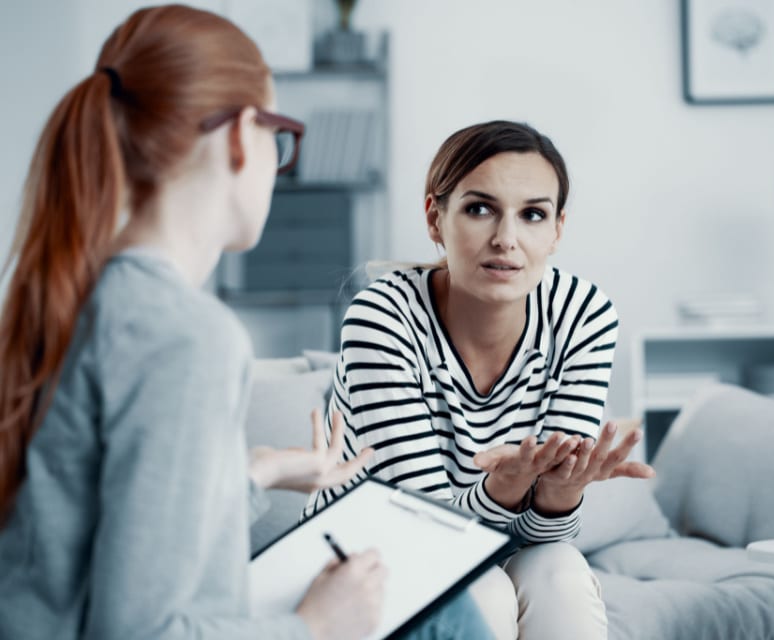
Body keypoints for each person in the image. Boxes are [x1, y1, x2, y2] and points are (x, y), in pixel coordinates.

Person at [0, 6, 490, 640]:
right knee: (441, 612)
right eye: (279, 135)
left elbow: (107, 532)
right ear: (239, 135)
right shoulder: (184, 334)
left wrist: (259, 472)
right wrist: (317, 627)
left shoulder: (82, 295)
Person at [304, 120, 657, 639]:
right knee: (484, 590)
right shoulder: (383, 316)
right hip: (365, 556)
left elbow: (546, 535)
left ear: (557, 229)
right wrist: (505, 488)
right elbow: (427, 532)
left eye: (532, 214)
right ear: (435, 218)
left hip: (491, 545)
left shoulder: (583, 314)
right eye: (479, 209)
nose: (505, 240)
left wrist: (560, 493)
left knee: (559, 572)